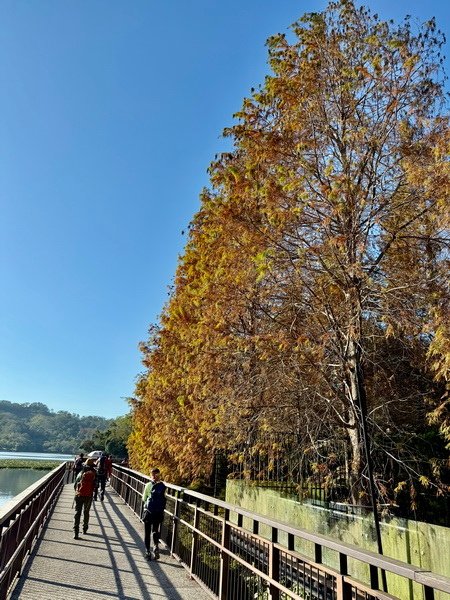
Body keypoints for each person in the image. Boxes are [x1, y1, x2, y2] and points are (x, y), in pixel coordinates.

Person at [142, 468, 166, 560]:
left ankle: (148, 552)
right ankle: (156, 545)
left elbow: (144, 498)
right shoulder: (163, 486)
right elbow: (164, 498)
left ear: (151, 475)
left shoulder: (148, 485)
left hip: (149, 511)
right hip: (158, 512)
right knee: (155, 530)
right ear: (159, 475)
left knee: (147, 533)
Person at [73, 458, 97, 539]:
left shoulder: (80, 473)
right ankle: (85, 529)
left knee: (77, 513)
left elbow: (75, 485)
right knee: (86, 512)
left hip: (79, 495)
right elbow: (96, 486)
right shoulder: (94, 473)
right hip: (89, 496)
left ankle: (76, 532)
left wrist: (77, 491)